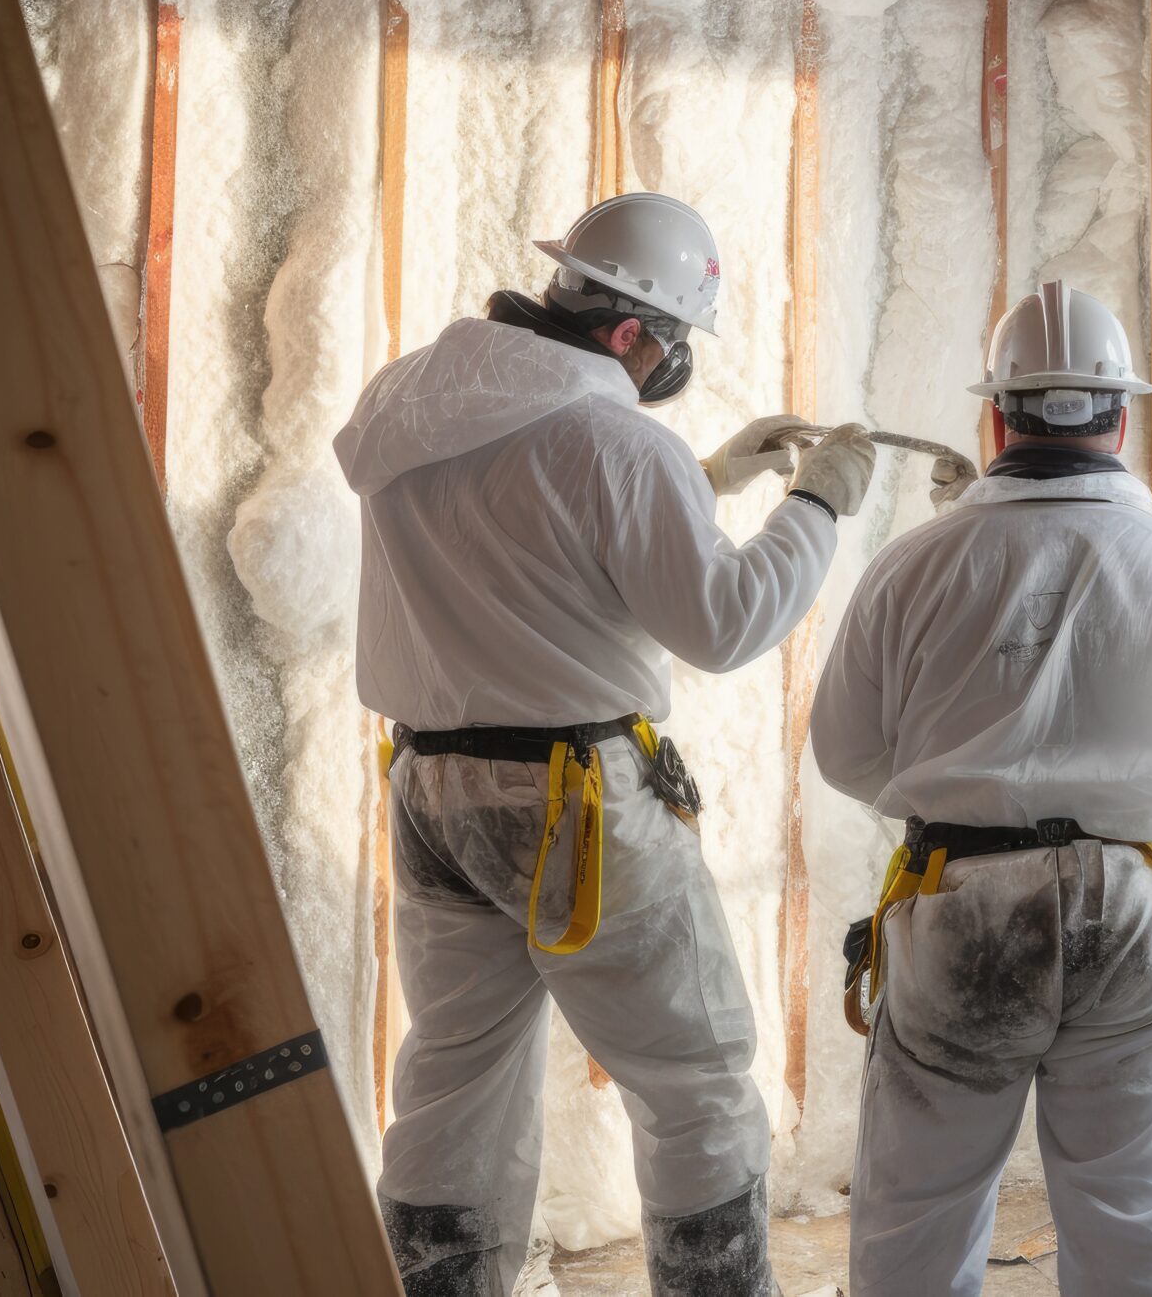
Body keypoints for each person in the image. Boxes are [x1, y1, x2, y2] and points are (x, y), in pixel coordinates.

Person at [335, 191, 878, 1297]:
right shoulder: (614, 441)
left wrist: (709, 479)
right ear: (631, 332)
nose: (672, 365)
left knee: (456, 1074)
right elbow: (721, 621)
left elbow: (527, 537)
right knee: (696, 1077)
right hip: (571, 799)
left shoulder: (413, 402)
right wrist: (813, 508)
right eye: (672, 343)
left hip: (431, 789)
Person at [809, 278, 1152, 1297]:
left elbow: (846, 752)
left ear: (996, 413)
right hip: (1141, 909)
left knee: (917, 1219)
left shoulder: (911, 564)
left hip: (965, 904)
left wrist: (969, 780)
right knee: (1134, 1221)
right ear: (1122, 415)